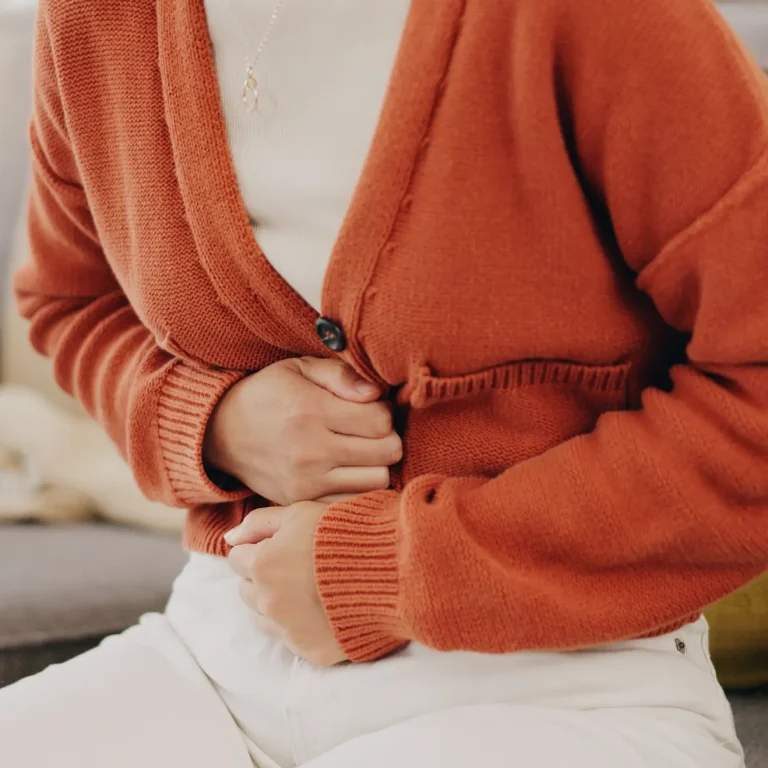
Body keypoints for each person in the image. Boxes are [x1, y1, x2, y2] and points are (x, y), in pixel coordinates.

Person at [1, 0, 767, 765]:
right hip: (220, 651)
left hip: (563, 679)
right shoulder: (94, 18)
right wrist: (211, 421)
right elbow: (69, 301)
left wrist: (386, 572)